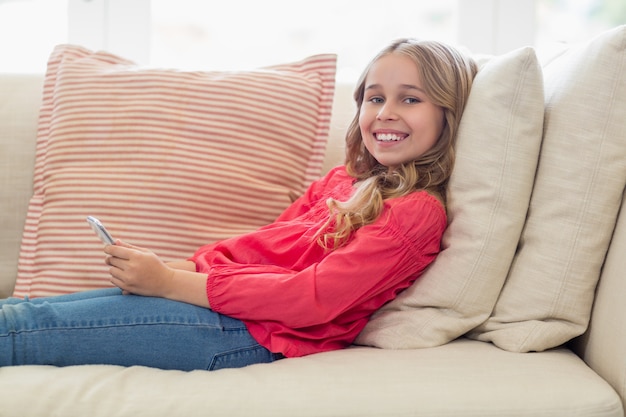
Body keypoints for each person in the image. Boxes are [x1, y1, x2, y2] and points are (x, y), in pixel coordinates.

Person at [0, 38, 477, 371]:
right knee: (24, 312)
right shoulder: (342, 180)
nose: (386, 112)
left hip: (248, 335)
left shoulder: (415, 213)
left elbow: (311, 298)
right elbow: (260, 247)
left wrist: (170, 283)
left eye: (409, 99)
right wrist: (180, 267)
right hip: (222, 312)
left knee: (23, 330)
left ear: (449, 117)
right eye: (374, 97)